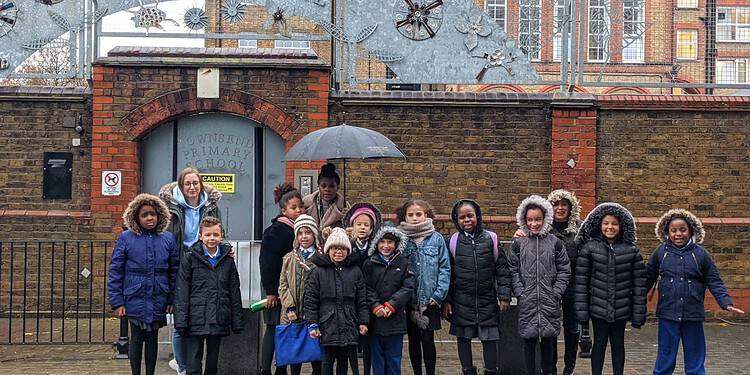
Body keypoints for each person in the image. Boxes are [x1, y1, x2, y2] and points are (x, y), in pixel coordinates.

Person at [647, 209, 745, 375]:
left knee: (695, 358)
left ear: (691, 230)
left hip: (693, 314)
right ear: (667, 232)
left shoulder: (700, 254)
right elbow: (647, 278)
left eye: (683, 230)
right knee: (665, 357)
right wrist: (633, 298)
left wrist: (726, 303)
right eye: (674, 230)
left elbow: (714, 280)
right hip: (668, 313)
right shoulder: (661, 253)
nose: (678, 234)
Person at [160, 167, 223, 375]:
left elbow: (221, 230)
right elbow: (166, 236)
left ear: (201, 185)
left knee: (198, 316)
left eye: (195, 183)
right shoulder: (170, 206)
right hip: (179, 263)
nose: (192, 187)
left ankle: (194, 365)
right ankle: (182, 367)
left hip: (203, 263)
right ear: (181, 185)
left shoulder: (211, 205)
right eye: (187, 183)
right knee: (181, 319)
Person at [108, 194, 180, 375]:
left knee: (152, 338)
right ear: (136, 218)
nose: (150, 218)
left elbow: (174, 271)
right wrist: (117, 302)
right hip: (134, 294)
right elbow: (116, 270)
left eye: (153, 214)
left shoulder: (168, 238)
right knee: (136, 338)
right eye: (145, 215)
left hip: (158, 294)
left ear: (160, 216)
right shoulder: (126, 238)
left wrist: (171, 298)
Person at [574, 202, 647, 375]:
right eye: (606, 223)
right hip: (598, 308)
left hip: (621, 308)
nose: (610, 227)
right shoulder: (590, 248)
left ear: (621, 226)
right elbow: (581, 282)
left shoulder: (631, 250)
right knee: (599, 344)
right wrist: (582, 312)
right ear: (600, 225)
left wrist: (638, 313)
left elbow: (639, 284)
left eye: (614, 224)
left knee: (618, 345)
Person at [444, 199, 511, 375]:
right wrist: (448, 300)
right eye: (462, 217)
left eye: (470, 216)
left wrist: (504, 296)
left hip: (487, 299)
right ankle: (467, 370)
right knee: (463, 338)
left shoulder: (492, 238)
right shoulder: (452, 241)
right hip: (461, 300)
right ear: (456, 220)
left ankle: (490, 370)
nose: (466, 220)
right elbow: (448, 274)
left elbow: (502, 270)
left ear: (478, 216)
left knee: (490, 338)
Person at [509, 195, 570, 375]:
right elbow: (512, 269)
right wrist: (520, 291)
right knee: (528, 342)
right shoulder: (518, 243)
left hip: (549, 301)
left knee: (549, 343)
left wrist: (556, 292)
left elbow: (564, 269)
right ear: (524, 220)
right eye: (530, 220)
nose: (534, 224)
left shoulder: (555, 243)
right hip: (527, 301)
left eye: (537, 219)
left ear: (545, 219)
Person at [174, 217, 244, 375]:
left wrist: (237, 321)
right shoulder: (190, 258)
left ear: (221, 236)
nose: (212, 238)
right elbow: (182, 290)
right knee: (193, 362)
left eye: (215, 234)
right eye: (207, 235)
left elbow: (234, 290)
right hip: (195, 317)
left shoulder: (227, 260)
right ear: (200, 236)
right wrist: (181, 320)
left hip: (218, 316)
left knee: (213, 363)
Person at [305, 227, 370, 375]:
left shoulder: (355, 271)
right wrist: (312, 323)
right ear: (328, 250)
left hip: (349, 321)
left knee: (343, 361)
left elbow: (361, 300)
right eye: (334, 248)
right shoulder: (318, 271)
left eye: (342, 248)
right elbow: (311, 300)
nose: (338, 252)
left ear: (348, 250)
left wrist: (363, 321)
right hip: (326, 322)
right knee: (326, 361)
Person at [396, 199, 450, 375]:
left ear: (426, 215)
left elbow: (445, 268)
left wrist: (439, 295)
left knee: (428, 339)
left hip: (431, 300)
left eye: (418, 214)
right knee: (413, 340)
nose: (414, 218)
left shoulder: (437, 239)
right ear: (404, 217)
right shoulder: (401, 240)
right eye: (410, 215)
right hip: (409, 301)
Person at [260, 183, 305, 375]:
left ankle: (282, 368)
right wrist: (270, 291)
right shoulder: (276, 231)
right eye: (293, 208)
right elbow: (267, 263)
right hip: (276, 291)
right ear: (284, 209)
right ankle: (265, 369)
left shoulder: (300, 231)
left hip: (292, 291)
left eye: (300, 207)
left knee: (290, 329)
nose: (298, 211)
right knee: (273, 328)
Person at [362, 225, 415, 375]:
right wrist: (376, 306)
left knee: (394, 357)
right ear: (376, 243)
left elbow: (408, 287)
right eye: (382, 242)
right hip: (375, 319)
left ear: (396, 244)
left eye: (390, 242)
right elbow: (366, 287)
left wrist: (392, 304)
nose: (386, 246)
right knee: (377, 358)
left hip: (395, 319)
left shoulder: (403, 263)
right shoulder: (369, 263)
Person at [278, 214, 323, 375]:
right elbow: (283, 285)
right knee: (294, 358)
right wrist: (289, 307)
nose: (304, 237)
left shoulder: (321, 259)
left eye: (308, 232)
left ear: (314, 235)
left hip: (314, 315)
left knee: (316, 356)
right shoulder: (289, 258)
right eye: (300, 233)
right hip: (292, 313)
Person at [343, 202, 382, 375]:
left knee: (368, 341)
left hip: (370, 296)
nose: (362, 228)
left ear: (372, 228)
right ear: (352, 226)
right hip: (351, 296)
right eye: (359, 224)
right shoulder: (347, 246)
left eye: (366, 225)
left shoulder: (376, 248)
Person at [303, 163, 349, 229]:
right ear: (318, 186)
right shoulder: (306, 203)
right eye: (323, 186)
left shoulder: (344, 205)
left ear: (337, 187)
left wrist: (347, 217)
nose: (327, 189)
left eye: (332, 186)